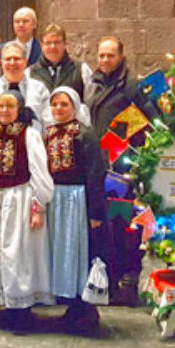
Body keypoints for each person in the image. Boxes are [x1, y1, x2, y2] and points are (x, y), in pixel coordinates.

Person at [0, 92, 55, 332]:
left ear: (19, 108)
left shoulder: (29, 135)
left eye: (10, 106)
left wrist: (39, 205)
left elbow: (38, 170)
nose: (5, 110)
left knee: (17, 253)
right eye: (1, 106)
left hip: (19, 198)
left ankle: (20, 309)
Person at [84, 36, 157, 305]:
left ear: (121, 56)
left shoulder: (132, 86)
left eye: (110, 55)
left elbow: (149, 120)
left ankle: (128, 281)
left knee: (124, 226)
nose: (104, 60)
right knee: (103, 227)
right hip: (96, 165)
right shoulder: (92, 82)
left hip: (121, 169)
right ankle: (107, 280)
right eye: (101, 55)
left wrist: (122, 144)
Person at [44, 87, 107, 332]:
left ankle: (86, 307)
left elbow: (95, 173)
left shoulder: (85, 135)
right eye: (55, 105)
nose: (59, 109)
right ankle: (69, 301)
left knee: (79, 252)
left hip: (77, 199)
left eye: (64, 105)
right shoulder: (48, 133)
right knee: (62, 253)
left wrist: (95, 212)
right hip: (55, 199)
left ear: (75, 107)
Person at [0, 41, 49, 132]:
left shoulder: (39, 89)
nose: (12, 63)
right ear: (1, 62)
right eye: (8, 59)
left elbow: (48, 122)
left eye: (17, 58)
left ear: (25, 62)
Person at [30, 24, 93, 100]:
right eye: (48, 43)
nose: (52, 47)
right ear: (41, 45)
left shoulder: (82, 70)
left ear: (65, 44)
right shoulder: (31, 73)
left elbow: (90, 103)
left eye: (57, 42)